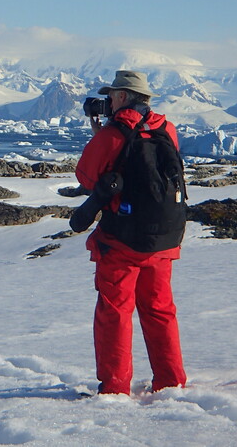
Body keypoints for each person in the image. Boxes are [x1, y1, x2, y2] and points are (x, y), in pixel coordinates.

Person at [75, 70, 187, 395]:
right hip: (163, 239)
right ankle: (171, 382)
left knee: (115, 311)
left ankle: (115, 387)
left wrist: (101, 134)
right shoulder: (166, 128)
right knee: (159, 309)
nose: (108, 101)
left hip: (122, 240)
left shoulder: (116, 132)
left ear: (123, 96)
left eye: (112, 96)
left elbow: (86, 176)